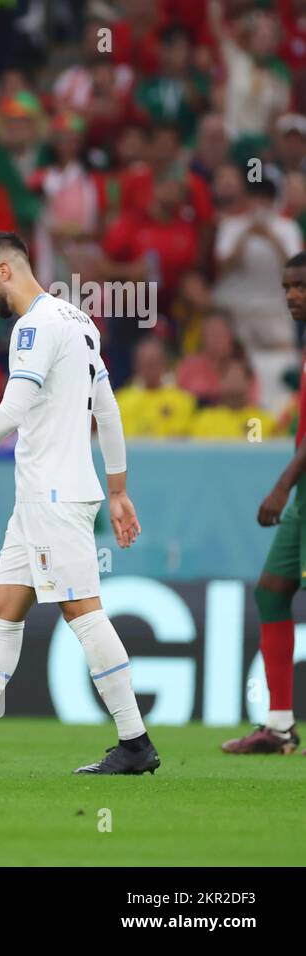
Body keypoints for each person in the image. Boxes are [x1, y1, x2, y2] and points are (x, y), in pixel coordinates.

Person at [0, 231, 158, 775]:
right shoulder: (79, 322)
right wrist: (117, 490)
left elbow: (13, 409)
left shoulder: (33, 326)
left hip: (52, 496)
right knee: (3, 612)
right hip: (47, 498)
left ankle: (135, 742)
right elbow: (105, 411)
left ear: (5, 271)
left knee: (82, 610)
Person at [222, 252, 306, 755]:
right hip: (303, 496)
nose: (292, 295)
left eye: (300, 286)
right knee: (272, 591)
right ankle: (279, 727)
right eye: (287, 287)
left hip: (296, 489)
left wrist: (280, 487)